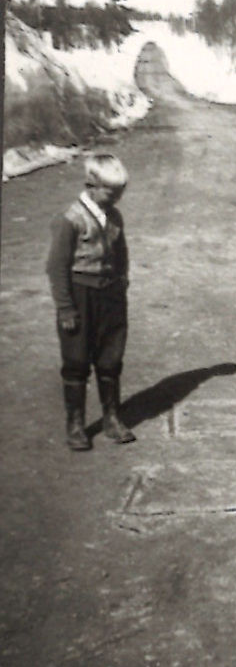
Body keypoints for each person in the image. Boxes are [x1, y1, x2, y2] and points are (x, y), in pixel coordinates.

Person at [46, 154, 135, 450]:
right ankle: (76, 424)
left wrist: (121, 281)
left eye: (120, 193)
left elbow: (121, 253)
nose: (117, 199)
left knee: (110, 359)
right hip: (80, 296)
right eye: (112, 193)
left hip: (110, 296)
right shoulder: (69, 219)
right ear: (91, 185)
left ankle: (112, 418)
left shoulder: (115, 216)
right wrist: (66, 308)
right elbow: (56, 268)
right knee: (76, 360)